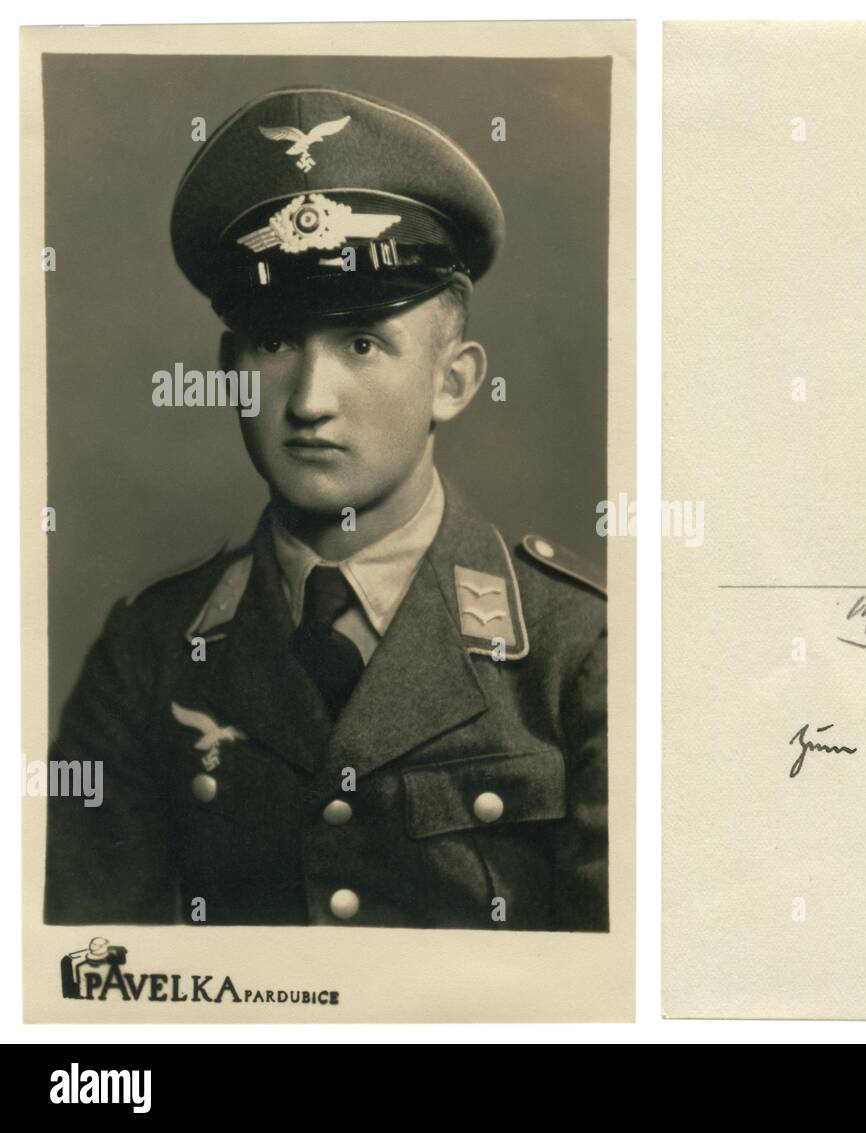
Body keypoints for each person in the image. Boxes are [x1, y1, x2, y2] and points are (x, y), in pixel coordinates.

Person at [44, 86, 608, 931]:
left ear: (451, 381)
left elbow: (621, 993)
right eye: (274, 343)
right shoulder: (150, 650)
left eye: (362, 343)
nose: (310, 399)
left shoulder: (581, 649)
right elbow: (85, 976)